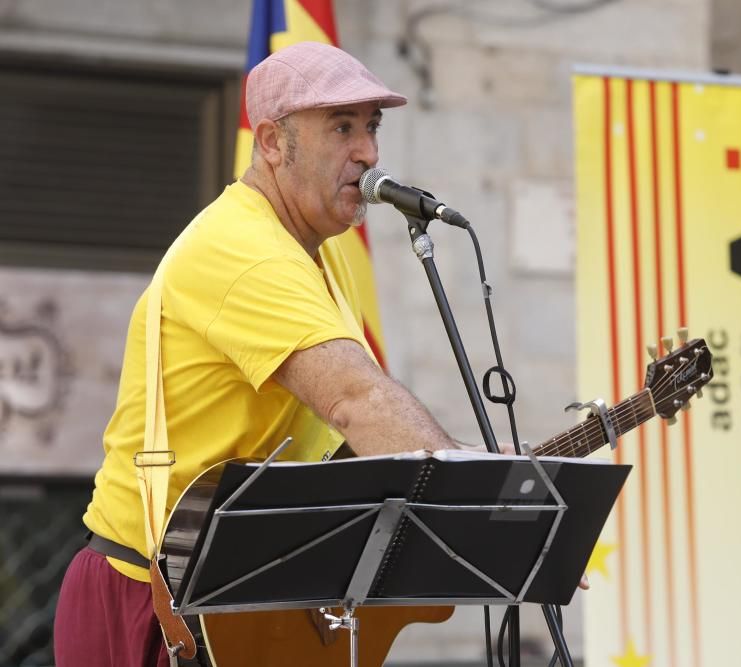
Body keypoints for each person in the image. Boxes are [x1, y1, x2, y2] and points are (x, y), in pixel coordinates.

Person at [53, 41, 464, 667]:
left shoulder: (317, 251)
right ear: (272, 143)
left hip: (226, 590)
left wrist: (499, 511)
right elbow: (358, 401)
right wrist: (482, 516)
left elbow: (347, 447)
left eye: (372, 127)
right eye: (342, 126)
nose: (370, 152)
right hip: (148, 594)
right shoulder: (245, 251)